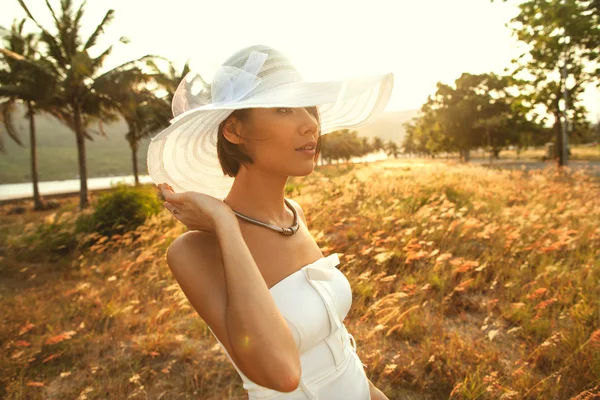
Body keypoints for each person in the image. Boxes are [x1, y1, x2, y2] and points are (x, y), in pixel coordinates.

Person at [150, 45, 393, 399]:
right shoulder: (194, 251)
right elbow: (280, 373)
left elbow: (338, 349)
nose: (310, 123)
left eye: (308, 107)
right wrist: (224, 222)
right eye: (283, 108)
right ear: (234, 130)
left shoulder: (294, 216)